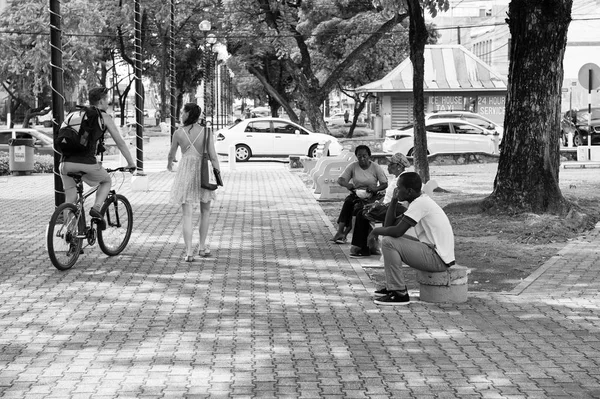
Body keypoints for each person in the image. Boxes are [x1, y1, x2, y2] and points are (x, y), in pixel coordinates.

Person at [368, 172, 455, 305]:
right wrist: (394, 200)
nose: (396, 190)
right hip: (433, 252)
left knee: (388, 242)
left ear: (409, 191)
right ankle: (393, 287)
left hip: (438, 258)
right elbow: (389, 226)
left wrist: (375, 231)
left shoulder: (421, 203)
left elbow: (397, 232)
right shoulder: (417, 202)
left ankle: (399, 292)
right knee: (388, 238)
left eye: (399, 188)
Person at [59, 87, 136, 227]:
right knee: (106, 181)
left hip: (65, 163)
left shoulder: (76, 113)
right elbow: (120, 143)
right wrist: (131, 163)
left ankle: (70, 239)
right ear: (101, 101)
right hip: (86, 162)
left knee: (70, 200)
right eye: (107, 100)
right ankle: (96, 209)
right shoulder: (104, 116)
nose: (108, 103)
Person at [167, 103, 221, 262]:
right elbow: (213, 155)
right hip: (203, 172)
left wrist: (169, 164)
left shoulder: (178, 133)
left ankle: (189, 251)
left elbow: (171, 154)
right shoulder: (206, 132)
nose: (180, 113)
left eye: (182, 111)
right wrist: (217, 174)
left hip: (185, 172)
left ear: (187, 114)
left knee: (187, 214)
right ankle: (202, 247)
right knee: (205, 211)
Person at [349, 153, 411, 257]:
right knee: (361, 210)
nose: (388, 166)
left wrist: (378, 206)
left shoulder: (403, 179)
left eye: (391, 164)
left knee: (362, 214)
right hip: (388, 206)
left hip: (395, 208)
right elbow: (387, 197)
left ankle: (362, 247)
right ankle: (369, 246)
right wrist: (377, 203)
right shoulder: (397, 178)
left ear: (399, 166)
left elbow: (399, 199)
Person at [331, 145, 388, 244]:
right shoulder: (353, 166)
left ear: (369, 156)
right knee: (348, 202)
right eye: (359, 156)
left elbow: (384, 184)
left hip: (371, 195)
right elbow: (340, 180)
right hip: (356, 193)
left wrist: (375, 189)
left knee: (357, 209)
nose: (362, 159)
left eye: (364, 156)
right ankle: (340, 232)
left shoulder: (375, 167)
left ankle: (344, 234)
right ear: (356, 156)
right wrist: (347, 185)